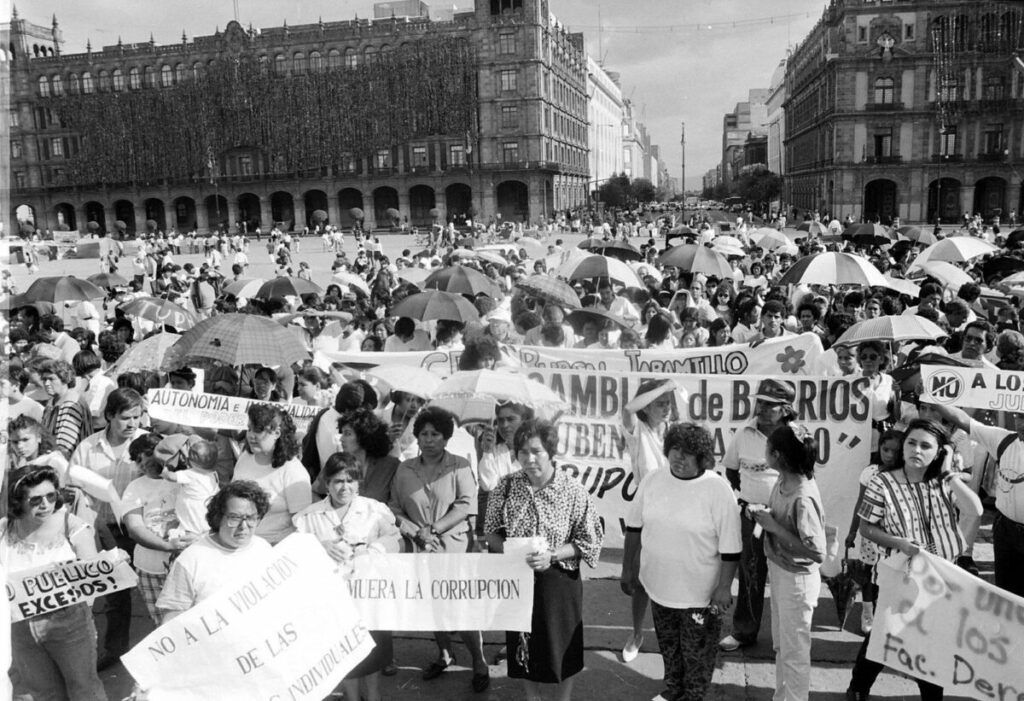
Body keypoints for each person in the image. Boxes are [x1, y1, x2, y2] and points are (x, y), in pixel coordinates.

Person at [846, 419, 983, 701]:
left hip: (941, 578)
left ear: (940, 451)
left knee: (929, 643)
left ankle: (930, 697)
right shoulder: (881, 481)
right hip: (900, 576)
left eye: (925, 446)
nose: (916, 450)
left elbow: (975, 511)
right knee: (884, 635)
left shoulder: (944, 482)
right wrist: (899, 543)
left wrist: (949, 474)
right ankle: (858, 689)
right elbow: (866, 528)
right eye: (911, 442)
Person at [483, 420, 603, 701]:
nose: (529, 458)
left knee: (562, 646)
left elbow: (590, 540)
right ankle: (532, 696)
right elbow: (490, 531)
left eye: (536, 451)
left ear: (551, 452)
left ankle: (562, 698)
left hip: (558, 581)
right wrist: (511, 551)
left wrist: (553, 555)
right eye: (522, 452)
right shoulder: (506, 486)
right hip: (518, 578)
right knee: (523, 643)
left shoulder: (572, 490)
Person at [621, 422, 740, 701]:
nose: (679, 457)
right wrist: (628, 569)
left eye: (687, 452)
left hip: (699, 596)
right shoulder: (653, 480)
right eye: (674, 449)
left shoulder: (717, 489)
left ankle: (692, 696)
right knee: (670, 647)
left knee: (697, 656)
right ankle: (673, 690)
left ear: (702, 458)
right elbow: (635, 527)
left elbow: (732, 548)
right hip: (659, 588)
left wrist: (724, 587)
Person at [389, 406, 489, 692]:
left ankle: (479, 662)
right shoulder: (404, 469)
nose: (429, 439)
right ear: (417, 437)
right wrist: (415, 532)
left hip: (455, 548)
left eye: (435, 434)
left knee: (461, 608)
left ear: (446, 438)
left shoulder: (459, 466)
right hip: (418, 548)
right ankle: (445, 653)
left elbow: (466, 504)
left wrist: (433, 529)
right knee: (432, 606)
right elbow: (394, 508)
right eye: (424, 434)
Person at [294, 453, 401, 701]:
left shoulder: (374, 510)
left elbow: (397, 540)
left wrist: (375, 549)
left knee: (372, 654)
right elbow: (296, 556)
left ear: (358, 482)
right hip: (333, 600)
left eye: (350, 481)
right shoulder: (308, 518)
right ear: (327, 483)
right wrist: (320, 546)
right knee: (344, 654)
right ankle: (351, 698)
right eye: (338, 481)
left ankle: (372, 697)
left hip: (369, 598)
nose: (345, 487)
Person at [3, 465, 108, 701]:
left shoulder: (71, 524)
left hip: (67, 621)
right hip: (19, 626)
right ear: (18, 501)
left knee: (84, 689)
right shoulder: (4, 530)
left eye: (51, 496)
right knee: (44, 694)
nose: (46, 504)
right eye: (36, 499)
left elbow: (91, 574)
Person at [70, 387, 146, 669]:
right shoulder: (87, 447)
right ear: (110, 416)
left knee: (136, 592)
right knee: (102, 593)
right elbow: (71, 487)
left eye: (137, 417)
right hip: (97, 530)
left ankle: (134, 651)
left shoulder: (147, 444)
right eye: (126, 418)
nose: (132, 424)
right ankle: (106, 652)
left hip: (134, 530)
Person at [720, 379, 797, 652]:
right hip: (751, 517)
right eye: (760, 402)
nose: (762, 408)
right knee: (751, 575)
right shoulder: (743, 434)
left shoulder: (797, 436)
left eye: (770, 404)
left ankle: (784, 637)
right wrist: (752, 501)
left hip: (786, 519)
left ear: (785, 408)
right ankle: (743, 632)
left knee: (786, 578)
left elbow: (806, 478)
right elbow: (731, 471)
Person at [751, 424, 826, 701]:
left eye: (768, 448)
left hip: (798, 580)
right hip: (782, 571)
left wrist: (773, 526)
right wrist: (766, 516)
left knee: (794, 654)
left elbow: (817, 552)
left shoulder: (803, 496)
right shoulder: (784, 481)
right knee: (783, 646)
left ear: (778, 455)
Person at [932, 403, 1024, 598]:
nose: (1022, 424)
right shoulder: (1003, 439)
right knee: (1007, 593)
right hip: (1005, 530)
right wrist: (933, 400)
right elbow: (963, 420)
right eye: (1020, 416)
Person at [619, 379, 676, 663]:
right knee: (640, 577)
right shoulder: (637, 431)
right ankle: (637, 634)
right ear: (647, 406)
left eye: (668, 403)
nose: (666, 408)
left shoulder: (675, 432)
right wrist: (664, 385)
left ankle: (674, 640)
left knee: (674, 578)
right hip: (647, 511)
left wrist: (668, 391)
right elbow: (629, 408)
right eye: (659, 404)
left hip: (679, 512)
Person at [156, 481, 273, 620]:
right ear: (217, 517)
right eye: (234, 518)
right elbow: (172, 616)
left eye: (251, 518)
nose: (244, 526)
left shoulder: (263, 548)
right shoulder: (191, 560)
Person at [232, 404, 312, 545]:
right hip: (238, 542)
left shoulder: (293, 472)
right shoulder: (245, 457)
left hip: (273, 547)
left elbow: (302, 525)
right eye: (249, 429)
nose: (251, 436)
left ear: (277, 433)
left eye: (258, 430)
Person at [313, 409, 398, 504]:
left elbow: (398, 504)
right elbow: (314, 492)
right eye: (342, 433)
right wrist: (329, 512)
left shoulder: (391, 466)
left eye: (347, 434)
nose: (341, 439)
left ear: (364, 435)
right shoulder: (337, 462)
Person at [38, 358, 94, 459]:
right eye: (44, 379)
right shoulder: (53, 403)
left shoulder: (71, 404)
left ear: (64, 378)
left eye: (51, 379)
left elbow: (65, 446)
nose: (46, 384)